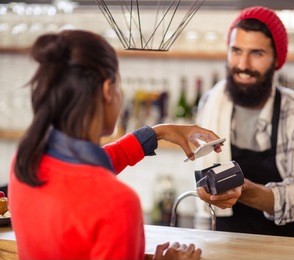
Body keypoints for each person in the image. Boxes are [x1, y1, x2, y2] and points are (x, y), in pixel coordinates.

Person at [8, 29, 223, 260]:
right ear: (108, 90)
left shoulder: (25, 163)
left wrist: (157, 133)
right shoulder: (117, 204)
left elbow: (89, 170)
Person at [195, 6, 294, 238]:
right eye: (236, 50)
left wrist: (244, 192)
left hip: (283, 247)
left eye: (256, 53)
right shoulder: (210, 102)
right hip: (222, 242)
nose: (243, 64)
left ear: (277, 59)